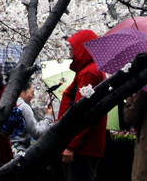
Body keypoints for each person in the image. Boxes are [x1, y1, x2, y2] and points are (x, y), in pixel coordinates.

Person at [57, 30, 107, 181]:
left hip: (82, 148)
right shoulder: (88, 70)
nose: (70, 49)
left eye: (74, 46)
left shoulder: (88, 73)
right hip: (84, 146)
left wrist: (72, 145)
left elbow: (84, 111)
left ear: (83, 48)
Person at [11, 81, 53, 155]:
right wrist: (48, 117)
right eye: (32, 93)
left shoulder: (9, 104)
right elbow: (38, 133)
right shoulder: (24, 107)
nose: (32, 97)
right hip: (19, 152)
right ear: (21, 91)